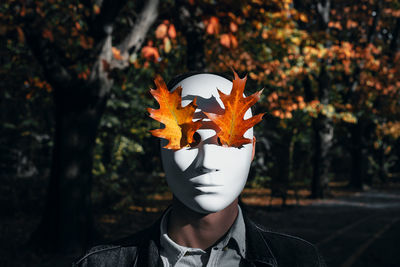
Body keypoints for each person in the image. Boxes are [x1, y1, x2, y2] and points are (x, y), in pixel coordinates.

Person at [73, 73, 327, 267]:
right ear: (160, 151)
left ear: (251, 152)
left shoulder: (298, 260)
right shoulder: (101, 263)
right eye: (188, 141)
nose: (207, 162)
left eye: (227, 141)